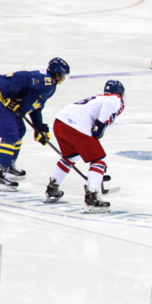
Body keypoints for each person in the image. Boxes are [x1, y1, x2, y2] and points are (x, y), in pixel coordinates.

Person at [0, 58, 70, 190]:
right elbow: (19, 77)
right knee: (11, 135)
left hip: (6, 100)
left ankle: (9, 164)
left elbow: (36, 106)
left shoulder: (50, 87)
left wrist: (39, 127)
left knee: (20, 130)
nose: (63, 79)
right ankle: (0, 173)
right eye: (63, 76)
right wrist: (14, 96)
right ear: (57, 74)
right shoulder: (46, 80)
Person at [45, 80, 125, 213]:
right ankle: (92, 196)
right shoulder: (115, 98)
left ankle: (52, 188)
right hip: (76, 125)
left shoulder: (98, 97)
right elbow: (110, 104)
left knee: (70, 156)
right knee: (99, 160)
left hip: (60, 122)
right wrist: (100, 126)